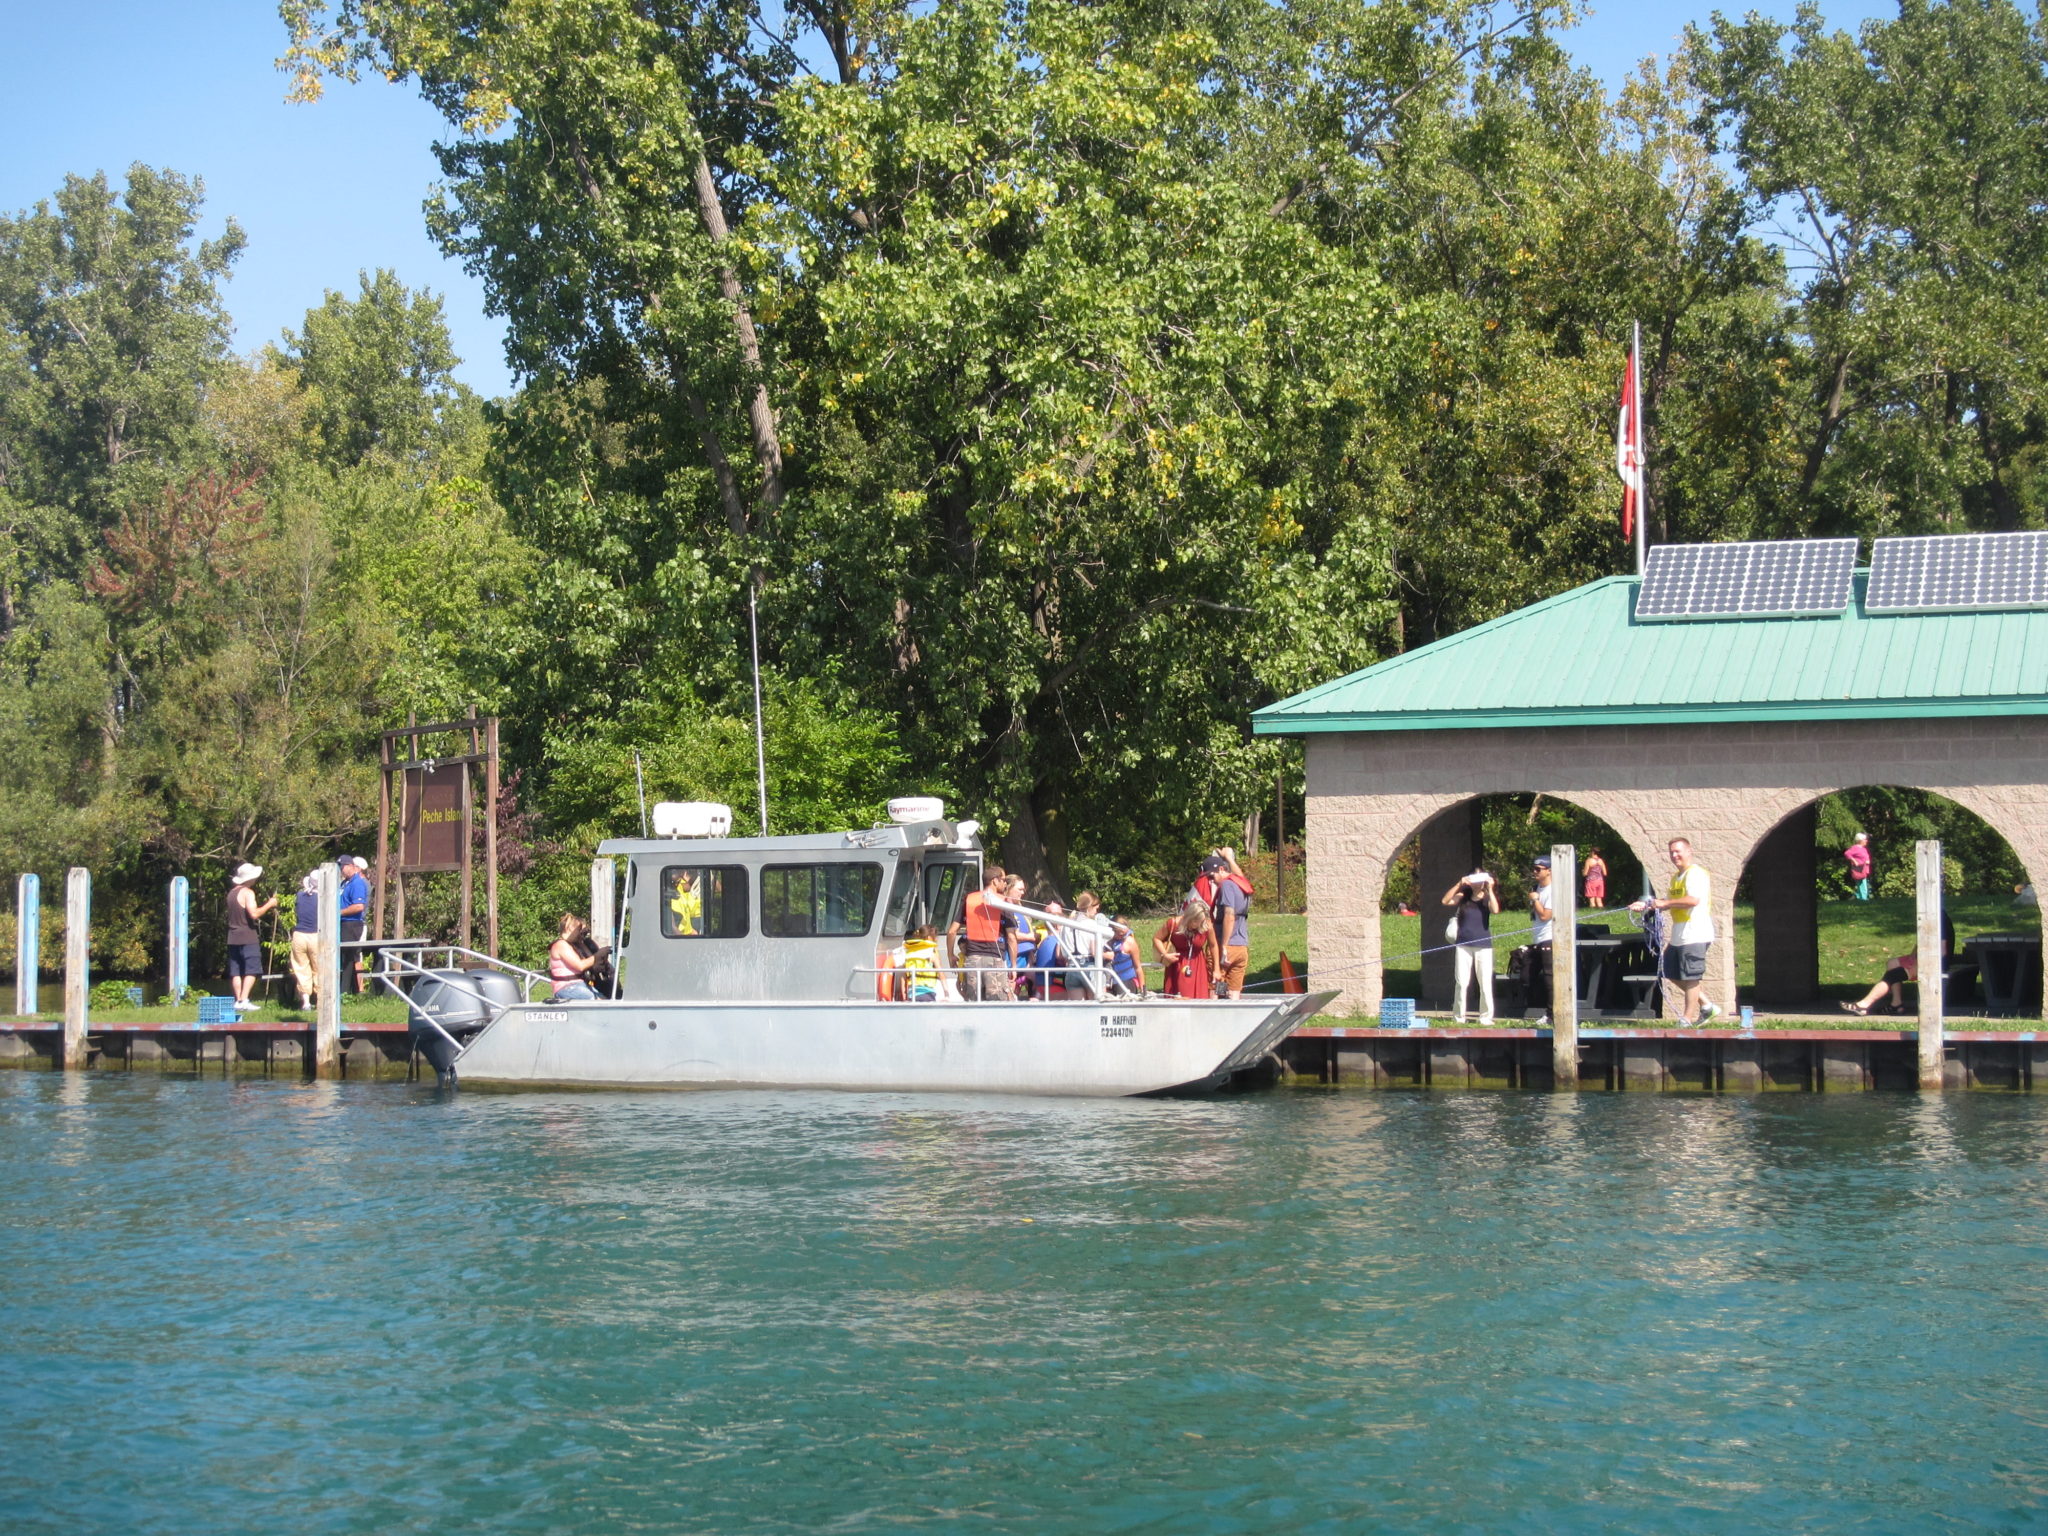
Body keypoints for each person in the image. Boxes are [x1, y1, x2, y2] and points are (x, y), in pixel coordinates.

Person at [1632, 837, 1721, 1027]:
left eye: (1678, 851)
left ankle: (1686, 1019)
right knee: (1668, 971)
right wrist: (1646, 905)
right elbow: (1666, 903)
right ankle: (1707, 1006)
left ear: (1689, 851)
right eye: (1671, 852)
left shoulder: (1695, 874)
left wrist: (1663, 903)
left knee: (1691, 977)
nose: (1674, 855)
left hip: (1696, 933)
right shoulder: (1676, 878)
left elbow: (1692, 900)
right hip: (1679, 935)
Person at [1843, 909, 1956, 1015]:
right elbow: (1922, 940)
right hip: (1923, 957)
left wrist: (1920, 964)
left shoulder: (1940, 920)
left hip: (1935, 962)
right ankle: (1896, 1003)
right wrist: (1912, 956)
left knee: (1893, 975)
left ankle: (1863, 1005)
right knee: (1892, 963)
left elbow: (1942, 951)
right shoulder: (1929, 917)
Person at [947, 865, 1014, 1001]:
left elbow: (952, 931)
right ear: (995, 881)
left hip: (972, 961)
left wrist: (950, 955)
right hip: (995, 961)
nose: (1005, 884)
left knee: (974, 1004)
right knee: (998, 1004)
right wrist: (1013, 965)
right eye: (1003, 880)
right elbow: (1012, 937)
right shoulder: (1003, 902)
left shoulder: (969, 900)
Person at [1440, 870, 1499, 1025]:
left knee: (1485, 982)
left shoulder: (1487, 898)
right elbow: (1445, 901)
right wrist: (1459, 884)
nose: (1476, 884)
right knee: (1461, 982)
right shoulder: (1463, 897)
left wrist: (1490, 889)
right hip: (1463, 944)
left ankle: (1485, 1017)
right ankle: (1459, 1016)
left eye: (1480, 881)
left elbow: (1495, 910)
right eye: (1474, 880)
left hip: (1483, 945)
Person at [1195, 849, 1254, 999]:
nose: (1210, 881)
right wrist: (1229, 858)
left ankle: (1216, 1011)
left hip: (1225, 947)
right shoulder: (1240, 883)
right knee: (1234, 991)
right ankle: (1231, 1010)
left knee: (1216, 987)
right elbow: (1240, 874)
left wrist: (1224, 947)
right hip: (1241, 946)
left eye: (1211, 876)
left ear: (1221, 869)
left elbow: (1229, 916)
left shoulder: (1227, 886)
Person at [226, 862, 277, 1012]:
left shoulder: (231, 893)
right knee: (252, 968)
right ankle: (244, 999)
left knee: (236, 970)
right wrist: (270, 904)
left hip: (232, 936)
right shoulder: (248, 893)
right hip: (247, 935)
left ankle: (238, 1000)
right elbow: (254, 914)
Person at [1153, 899, 1219, 1000]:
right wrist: (1165, 954)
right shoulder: (1173, 923)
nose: (1198, 925)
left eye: (1201, 922)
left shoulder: (1206, 925)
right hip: (1176, 964)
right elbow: (1157, 938)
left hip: (1198, 965)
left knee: (1199, 997)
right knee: (1178, 998)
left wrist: (1216, 969)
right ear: (1189, 917)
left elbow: (1213, 946)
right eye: (1195, 922)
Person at [1522, 857, 1555, 1016]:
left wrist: (1535, 900)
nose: (1534, 872)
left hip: (1549, 937)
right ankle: (1535, 1008)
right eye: (1534, 868)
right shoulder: (1536, 888)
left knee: (1550, 978)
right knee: (1526, 976)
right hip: (1537, 938)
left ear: (1549, 871)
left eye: (1538, 869)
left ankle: (1551, 1014)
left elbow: (1545, 915)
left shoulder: (1553, 891)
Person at [547, 914, 605, 1001]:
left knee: (605, 999)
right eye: (579, 930)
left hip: (580, 984)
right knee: (595, 1000)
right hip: (567, 987)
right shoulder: (561, 945)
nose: (580, 933)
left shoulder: (573, 945)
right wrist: (598, 956)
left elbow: (588, 958)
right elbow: (580, 966)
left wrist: (581, 942)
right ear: (569, 929)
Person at [338, 855, 372, 993]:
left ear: (351, 866)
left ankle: (345, 992)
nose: (341, 869)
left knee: (349, 958)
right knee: (343, 957)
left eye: (343, 866)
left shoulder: (357, 883)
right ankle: (348, 989)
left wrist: (338, 912)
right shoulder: (344, 883)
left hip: (351, 924)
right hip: (342, 924)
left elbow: (359, 906)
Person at [1023, 903, 1071, 999]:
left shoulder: (1045, 941)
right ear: (1058, 926)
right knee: (1081, 994)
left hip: (1042, 986)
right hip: (1055, 986)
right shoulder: (1057, 942)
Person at [289, 872, 320, 1010]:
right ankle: (320, 1000)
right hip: (316, 935)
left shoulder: (300, 895)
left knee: (301, 968)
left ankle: (306, 1002)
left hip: (299, 935)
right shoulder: (323, 898)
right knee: (320, 969)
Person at [668, 869, 702, 935]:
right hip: (682, 937)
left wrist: (692, 931)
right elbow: (673, 928)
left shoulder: (678, 888)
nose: (677, 883)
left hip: (691, 933)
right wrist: (685, 939)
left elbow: (692, 884)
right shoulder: (666, 901)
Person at [1844, 832, 1872, 901]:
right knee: (1862, 885)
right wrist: (1854, 861)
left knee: (1862, 884)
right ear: (1860, 840)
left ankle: (1858, 897)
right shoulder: (1855, 848)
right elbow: (1847, 853)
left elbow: (1866, 857)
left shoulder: (1864, 849)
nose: (1866, 841)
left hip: (1864, 870)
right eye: (1865, 839)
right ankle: (1864, 899)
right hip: (1859, 869)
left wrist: (1867, 861)